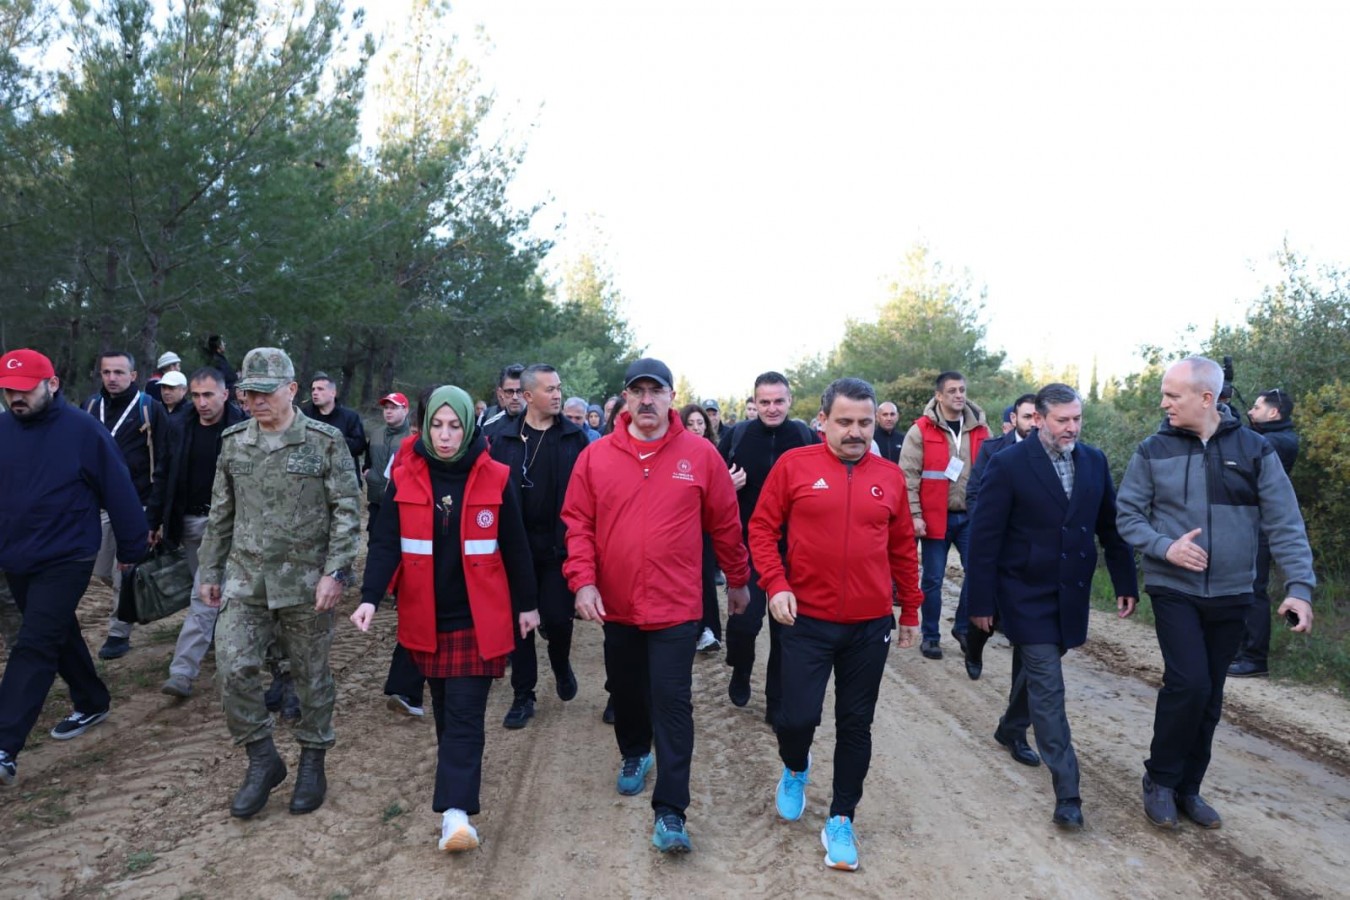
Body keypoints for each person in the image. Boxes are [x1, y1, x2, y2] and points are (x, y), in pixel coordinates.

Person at [1116, 356, 1315, 830]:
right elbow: (1128, 516)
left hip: (1232, 593)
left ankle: (1189, 788)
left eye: (1173, 395)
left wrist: (1300, 588)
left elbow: (1285, 522)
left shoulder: (1255, 450)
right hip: (1174, 588)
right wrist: (1166, 547)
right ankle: (1160, 780)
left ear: (1206, 398)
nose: (1163, 403)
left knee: (1210, 695)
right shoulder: (1152, 450)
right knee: (1189, 683)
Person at [562, 358, 750, 854]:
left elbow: (725, 523)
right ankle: (632, 753)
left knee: (672, 704)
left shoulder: (701, 455)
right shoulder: (596, 457)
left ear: (671, 396)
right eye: (637, 391)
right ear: (625, 398)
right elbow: (577, 524)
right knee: (626, 692)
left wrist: (738, 579)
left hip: (676, 606)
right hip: (617, 605)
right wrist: (583, 582)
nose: (647, 400)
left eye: (656, 390)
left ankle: (671, 811)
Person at [352, 385, 538, 852]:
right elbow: (385, 542)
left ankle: (456, 817)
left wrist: (528, 604)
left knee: (464, 717)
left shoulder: (496, 475)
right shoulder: (406, 476)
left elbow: (515, 546)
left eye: (455, 425)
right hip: (427, 619)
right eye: (437, 425)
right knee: (444, 713)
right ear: (425, 425)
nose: (446, 435)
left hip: (480, 618)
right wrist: (371, 596)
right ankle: (456, 795)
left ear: (469, 426)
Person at [750, 377, 922, 871]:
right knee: (796, 716)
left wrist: (909, 609)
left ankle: (842, 818)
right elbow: (762, 529)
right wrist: (776, 582)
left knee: (856, 723)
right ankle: (796, 767)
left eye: (864, 423)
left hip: (869, 626)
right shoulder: (794, 466)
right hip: (805, 619)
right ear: (822, 420)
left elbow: (902, 550)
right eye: (844, 422)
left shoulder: (888, 476)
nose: (855, 432)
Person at [196, 347, 361, 819]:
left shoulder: (325, 442)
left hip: (306, 584)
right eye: (248, 393)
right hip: (246, 581)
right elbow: (221, 514)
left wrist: (336, 572)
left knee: (310, 678)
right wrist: (210, 571)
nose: (255, 401)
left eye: (265, 392)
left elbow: (348, 514)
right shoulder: (234, 442)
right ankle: (262, 759)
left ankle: (313, 759)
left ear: (291, 389)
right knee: (232, 668)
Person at [967, 384, 1138, 830]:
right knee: (1049, 687)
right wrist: (981, 602)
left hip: (1070, 593)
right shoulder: (1007, 464)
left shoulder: (1094, 461)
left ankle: (1009, 727)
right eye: (1063, 420)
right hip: (1023, 592)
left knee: (1037, 670)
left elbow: (1110, 527)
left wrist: (1125, 581)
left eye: (1077, 418)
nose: (1072, 427)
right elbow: (984, 540)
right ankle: (1068, 792)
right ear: (1038, 419)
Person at [0, 349, 148, 787]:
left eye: (25, 389)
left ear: (52, 384)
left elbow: (118, 487)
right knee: (54, 631)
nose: (16, 398)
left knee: (34, 643)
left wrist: (133, 545)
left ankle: (4, 744)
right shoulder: (3, 429)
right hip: (16, 555)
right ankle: (92, 698)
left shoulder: (83, 431)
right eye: (9, 391)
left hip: (67, 556)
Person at [489, 365, 589, 729]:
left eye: (560, 387)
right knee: (521, 625)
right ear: (528, 396)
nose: (558, 394)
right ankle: (523, 695)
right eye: (550, 389)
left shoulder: (575, 438)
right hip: (517, 549)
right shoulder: (502, 440)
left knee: (558, 620)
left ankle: (561, 664)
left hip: (559, 548)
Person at [720, 372, 818, 724]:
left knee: (786, 629)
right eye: (764, 402)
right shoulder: (738, 435)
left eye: (779, 401)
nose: (772, 408)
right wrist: (727, 486)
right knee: (745, 623)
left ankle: (776, 701)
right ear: (755, 403)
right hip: (749, 546)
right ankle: (741, 667)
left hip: (795, 549)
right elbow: (710, 485)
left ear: (790, 401)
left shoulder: (806, 438)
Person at [158, 368, 249, 698]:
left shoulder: (243, 430)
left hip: (230, 527)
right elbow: (164, 476)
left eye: (208, 394)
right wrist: (157, 521)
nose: (201, 402)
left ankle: (182, 671)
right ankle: (225, 640)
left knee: (204, 595)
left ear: (226, 394)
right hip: (189, 524)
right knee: (213, 594)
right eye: (195, 395)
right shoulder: (179, 426)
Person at [85, 349, 170, 661]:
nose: (112, 378)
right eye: (107, 372)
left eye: (119, 373)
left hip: (138, 503)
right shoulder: (91, 406)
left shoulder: (151, 409)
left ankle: (118, 632)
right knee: (102, 570)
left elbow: (164, 461)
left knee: (126, 569)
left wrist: (156, 514)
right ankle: (133, 597)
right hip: (100, 504)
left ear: (134, 375)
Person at [899, 370, 990, 661]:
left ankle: (962, 628)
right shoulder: (921, 430)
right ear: (939, 395)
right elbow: (908, 477)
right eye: (952, 391)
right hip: (934, 516)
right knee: (933, 580)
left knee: (978, 574)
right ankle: (931, 636)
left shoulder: (980, 430)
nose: (959, 395)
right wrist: (914, 514)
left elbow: (993, 475)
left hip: (971, 517)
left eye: (962, 389)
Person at [960, 392, 1037, 679]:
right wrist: (989, 530)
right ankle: (974, 647)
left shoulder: (1052, 453)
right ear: (1014, 419)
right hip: (995, 546)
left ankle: (1022, 699)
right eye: (1026, 416)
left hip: (1031, 552)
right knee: (985, 616)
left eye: (1036, 417)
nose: (1032, 423)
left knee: (1027, 627)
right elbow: (974, 493)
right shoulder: (993, 450)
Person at [1229, 388, 1300, 678]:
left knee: (1254, 589)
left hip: (1261, 525)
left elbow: (1246, 445)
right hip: (1248, 523)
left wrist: (1228, 417)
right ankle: (1239, 650)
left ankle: (1255, 658)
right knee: (1241, 586)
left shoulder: (1280, 441)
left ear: (1274, 412)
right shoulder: (1270, 436)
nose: (1251, 411)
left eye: (1256, 408)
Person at [680, 404, 722, 653]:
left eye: (700, 423)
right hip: (683, 528)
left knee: (706, 578)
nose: (697, 428)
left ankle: (709, 630)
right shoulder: (678, 452)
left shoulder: (714, 451)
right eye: (691, 423)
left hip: (705, 527)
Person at [365, 392, 413, 533]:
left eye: (394, 407)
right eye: (386, 408)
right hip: (375, 500)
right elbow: (368, 460)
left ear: (405, 410)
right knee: (374, 540)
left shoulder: (412, 436)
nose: (388, 411)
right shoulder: (376, 434)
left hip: (401, 502)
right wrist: (368, 473)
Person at [302, 372, 368, 462]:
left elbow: (359, 446)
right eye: (313, 389)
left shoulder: (350, 417)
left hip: (341, 471)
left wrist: (331, 441)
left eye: (320, 389)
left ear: (333, 393)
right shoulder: (304, 415)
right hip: (311, 469)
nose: (315, 393)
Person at [479, 363, 526, 438]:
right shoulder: (489, 427)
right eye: (509, 392)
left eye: (519, 391)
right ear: (501, 393)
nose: (515, 397)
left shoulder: (544, 424)